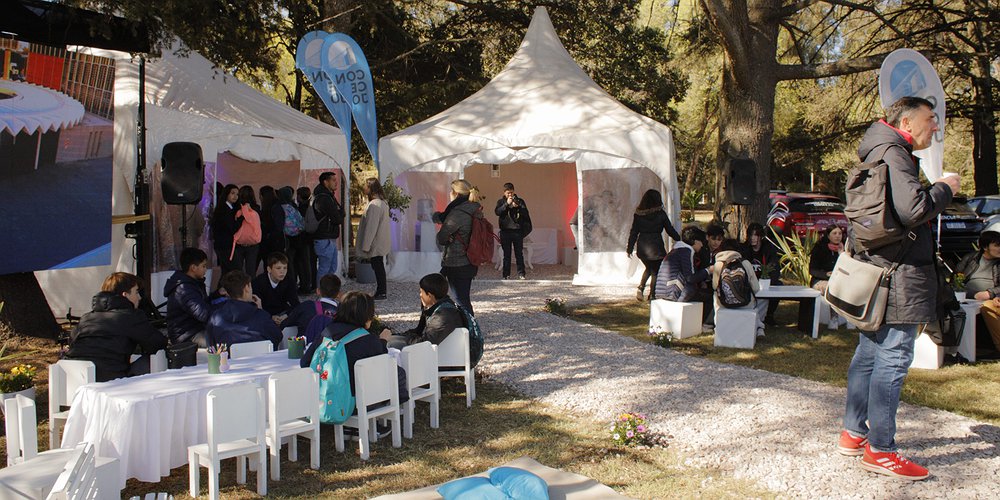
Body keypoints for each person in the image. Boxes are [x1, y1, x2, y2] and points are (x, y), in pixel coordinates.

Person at [838, 96, 959, 480]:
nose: (936, 126)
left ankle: (854, 433)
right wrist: (944, 188)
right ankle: (882, 450)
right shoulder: (896, 153)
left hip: (879, 272)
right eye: (931, 119)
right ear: (907, 121)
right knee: (892, 357)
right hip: (901, 276)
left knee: (869, 353)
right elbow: (913, 210)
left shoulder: (876, 148)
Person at [66, 272, 168, 382]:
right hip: (111, 379)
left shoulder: (86, 318)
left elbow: (72, 342)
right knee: (154, 360)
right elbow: (158, 343)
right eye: (136, 292)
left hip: (74, 377)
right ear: (125, 295)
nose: (139, 297)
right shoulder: (131, 316)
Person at [299, 291, 388, 397]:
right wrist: (383, 341)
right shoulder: (368, 340)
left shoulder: (328, 332)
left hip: (325, 400)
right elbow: (382, 367)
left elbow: (305, 362)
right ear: (366, 316)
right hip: (356, 402)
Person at [433, 179, 483, 315]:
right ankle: (463, 328)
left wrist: (446, 235)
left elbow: (442, 237)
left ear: (455, 193)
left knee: (461, 300)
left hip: (456, 261)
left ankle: (470, 332)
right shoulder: (475, 209)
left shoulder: (457, 213)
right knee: (462, 297)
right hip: (470, 259)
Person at [381, 273, 464, 349]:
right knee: (391, 340)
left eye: (421, 292)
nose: (420, 295)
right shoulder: (437, 307)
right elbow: (419, 331)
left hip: (441, 355)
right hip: (434, 350)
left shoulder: (443, 316)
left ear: (430, 295)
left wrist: (405, 338)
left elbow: (425, 343)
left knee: (390, 346)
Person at [627, 189, 682, 301]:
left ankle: (641, 288)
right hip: (656, 246)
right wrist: (679, 239)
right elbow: (669, 229)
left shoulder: (638, 215)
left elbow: (634, 232)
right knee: (655, 271)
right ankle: (652, 295)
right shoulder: (660, 214)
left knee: (649, 268)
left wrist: (629, 248)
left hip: (642, 246)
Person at [954, 226, 1000, 354]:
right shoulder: (970, 259)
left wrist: (990, 293)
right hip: (969, 298)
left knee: (987, 306)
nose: (999, 248)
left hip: (992, 298)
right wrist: (974, 294)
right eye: (997, 245)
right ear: (985, 247)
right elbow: (956, 280)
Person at [207, 270, 282, 349]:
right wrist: (260, 309)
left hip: (229, 360)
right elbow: (278, 336)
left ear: (227, 293)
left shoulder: (215, 318)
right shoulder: (261, 316)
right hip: (261, 360)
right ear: (247, 288)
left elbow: (212, 345)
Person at [655, 227, 712, 323]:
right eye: (701, 242)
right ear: (695, 241)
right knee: (709, 296)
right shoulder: (687, 251)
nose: (702, 245)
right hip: (673, 293)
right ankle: (701, 324)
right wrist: (708, 271)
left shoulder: (677, 250)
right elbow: (690, 278)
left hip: (662, 291)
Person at [164, 247, 214, 347]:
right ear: (193, 268)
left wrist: (218, 295)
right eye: (203, 266)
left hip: (194, 330)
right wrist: (224, 315)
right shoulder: (184, 289)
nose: (205, 269)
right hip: (186, 336)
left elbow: (203, 304)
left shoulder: (193, 283)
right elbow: (202, 313)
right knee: (218, 343)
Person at [355, 177, 392, 299]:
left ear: (371, 188)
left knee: (378, 266)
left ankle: (381, 291)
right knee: (378, 265)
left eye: (366, 185)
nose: (364, 188)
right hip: (379, 241)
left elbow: (371, 227)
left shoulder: (375, 205)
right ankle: (381, 290)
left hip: (375, 242)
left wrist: (365, 245)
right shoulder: (382, 203)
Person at [741, 223, 782, 326]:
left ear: (761, 236)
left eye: (756, 235)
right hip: (749, 281)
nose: (752, 238)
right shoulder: (744, 249)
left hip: (765, 281)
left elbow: (774, 268)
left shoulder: (769, 249)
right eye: (750, 235)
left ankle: (769, 315)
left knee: (778, 285)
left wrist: (768, 281)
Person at [494, 182, 531, 280]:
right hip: (505, 231)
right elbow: (497, 212)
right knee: (507, 254)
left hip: (517, 231)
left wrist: (518, 206)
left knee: (519, 253)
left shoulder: (520, 201)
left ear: (514, 191)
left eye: (511, 193)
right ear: (504, 193)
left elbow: (526, 213)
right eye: (508, 193)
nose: (510, 195)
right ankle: (506, 275)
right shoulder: (501, 202)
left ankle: (521, 274)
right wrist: (507, 204)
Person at [313, 172, 345, 280]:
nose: (336, 182)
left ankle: (328, 291)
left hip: (329, 237)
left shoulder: (329, 196)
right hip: (324, 238)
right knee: (325, 268)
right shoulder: (324, 198)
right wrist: (340, 213)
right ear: (325, 182)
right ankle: (322, 293)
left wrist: (339, 213)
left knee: (332, 267)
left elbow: (339, 214)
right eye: (333, 180)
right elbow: (337, 218)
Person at [252, 252, 300, 318]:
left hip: (283, 313)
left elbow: (295, 303)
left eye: (285, 268)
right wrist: (270, 316)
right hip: (264, 313)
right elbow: (255, 306)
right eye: (278, 268)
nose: (282, 271)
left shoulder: (289, 281)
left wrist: (285, 316)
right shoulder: (258, 282)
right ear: (269, 269)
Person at [232, 185, 262, 276]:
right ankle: (250, 288)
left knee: (237, 270)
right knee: (251, 270)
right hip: (253, 243)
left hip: (239, 242)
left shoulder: (236, 208)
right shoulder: (256, 208)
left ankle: (238, 288)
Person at [211, 184, 240, 273]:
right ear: (226, 194)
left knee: (226, 272)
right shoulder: (224, 210)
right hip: (225, 246)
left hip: (224, 245)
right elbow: (232, 227)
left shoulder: (229, 208)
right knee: (234, 271)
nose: (235, 196)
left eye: (237, 194)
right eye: (232, 193)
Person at [809, 225, 846, 294]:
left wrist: (842, 254)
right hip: (820, 280)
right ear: (828, 236)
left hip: (840, 280)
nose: (837, 236)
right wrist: (826, 274)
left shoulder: (846, 249)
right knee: (832, 288)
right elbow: (812, 270)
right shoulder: (819, 248)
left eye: (840, 233)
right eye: (834, 233)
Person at [295, 186, 316, 294]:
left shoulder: (301, 209)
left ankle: (305, 285)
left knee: (303, 263)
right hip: (310, 238)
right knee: (309, 262)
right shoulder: (311, 207)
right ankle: (310, 284)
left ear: (299, 196)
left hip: (302, 239)